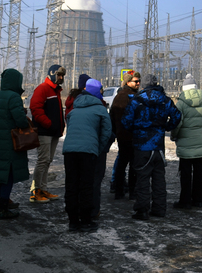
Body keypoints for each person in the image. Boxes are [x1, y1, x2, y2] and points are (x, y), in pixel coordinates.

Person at [121, 75, 181, 220]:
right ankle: (159, 209)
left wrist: (135, 129)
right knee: (159, 178)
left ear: (143, 85)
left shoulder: (136, 100)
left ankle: (142, 210)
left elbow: (126, 121)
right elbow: (177, 116)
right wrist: (166, 127)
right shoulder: (165, 100)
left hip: (141, 146)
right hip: (158, 146)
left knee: (142, 178)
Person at [62, 78, 112, 232]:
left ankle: (73, 221)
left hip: (69, 151)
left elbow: (70, 129)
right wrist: (98, 148)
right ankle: (85, 221)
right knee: (86, 186)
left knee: (71, 185)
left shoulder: (74, 110)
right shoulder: (100, 109)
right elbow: (107, 133)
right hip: (88, 151)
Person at [0, 68, 32, 220]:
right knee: (9, 176)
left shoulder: (0, 96)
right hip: (10, 144)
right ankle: (2, 209)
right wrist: (23, 115)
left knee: (1, 176)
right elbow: (19, 120)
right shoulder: (13, 97)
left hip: (0, 142)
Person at [172, 73, 202, 209]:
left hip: (185, 144)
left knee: (185, 174)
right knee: (199, 173)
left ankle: (185, 201)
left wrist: (175, 136)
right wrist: (201, 131)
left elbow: (177, 124)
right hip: (199, 142)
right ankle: (198, 200)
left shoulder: (181, 104)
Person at [29, 64, 66, 203]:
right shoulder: (43, 88)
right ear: (52, 74)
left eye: (62, 76)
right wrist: (49, 124)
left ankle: (43, 189)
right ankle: (36, 191)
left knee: (47, 161)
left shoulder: (55, 91)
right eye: (59, 75)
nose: (61, 78)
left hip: (53, 133)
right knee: (43, 160)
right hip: (45, 132)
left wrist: (59, 127)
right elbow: (35, 108)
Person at [109, 70, 141, 200]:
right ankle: (132, 192)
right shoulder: (131, 97)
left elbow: (112, 116)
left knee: (122, 163)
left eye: (139, 81)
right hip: (131, 135)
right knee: (133, 164)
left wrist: (116, 132)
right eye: (136, 81)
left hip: (122, 136)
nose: (138, 83)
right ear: (128, 82)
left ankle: (118, 191)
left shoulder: (119, 96)